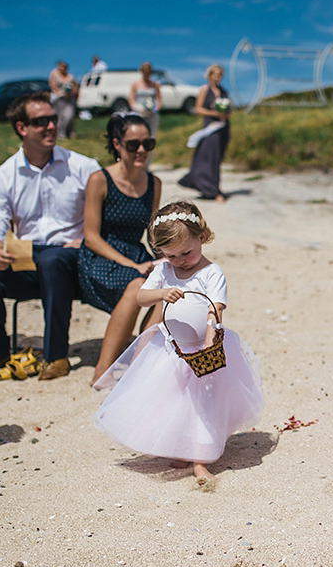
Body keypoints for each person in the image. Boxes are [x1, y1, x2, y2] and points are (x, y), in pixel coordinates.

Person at [93, 202, 263, 484]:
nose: (181, 260)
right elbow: (140, 298)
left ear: (202, 237)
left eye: (187, 252)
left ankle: (200, 460)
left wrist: (209, 346)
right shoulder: (163, 271)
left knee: (204, 406)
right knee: (175, 402)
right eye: (171, 255)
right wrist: (162, 291)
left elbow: (215, 311)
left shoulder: (211, 272)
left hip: (201, 348)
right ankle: (179, 449)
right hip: (171, 350)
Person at [0, 92, 99, 381]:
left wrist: (85, 239)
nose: (51, 126)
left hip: (74, 258)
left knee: (53, 259)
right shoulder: (4, 175)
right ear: (21, 128)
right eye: (41, 122)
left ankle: (56, 356)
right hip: (28, 257)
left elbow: (105, 219)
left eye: (53, 119)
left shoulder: (84, 167)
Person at [78, 113, 162, 385]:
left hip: (136, 254)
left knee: (169, 288)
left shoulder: (154, 183)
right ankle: (103, 369)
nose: (141, 151)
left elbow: (152, 232)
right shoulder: (99, 179)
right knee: (139, 284)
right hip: (100, 257)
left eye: (147, 144)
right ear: (117, 144)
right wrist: (132, 265)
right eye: (133, 144)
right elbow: (91, 237)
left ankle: (139, 362)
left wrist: (167, 258)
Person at [179, 64, 231, 202]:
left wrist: (226, 114)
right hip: (210, 128)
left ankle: (210, 187)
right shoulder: (204, 90)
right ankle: (213, 190)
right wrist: (215, 113)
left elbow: (230, 109)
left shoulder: (224, 92)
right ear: (210, 75)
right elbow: (198, 109)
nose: (218, 77)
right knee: (207, 158)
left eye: (220, 74)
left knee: (217, 158)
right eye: (215, 74)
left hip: (223, 128)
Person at [48, 61, 79, 140]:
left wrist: (72, 94)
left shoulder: (70, 76)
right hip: (59, 99)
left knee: (69, 116)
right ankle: (61, 133)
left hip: (69, 99)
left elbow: (76, 86)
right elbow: (53, 85)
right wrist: (61, 93)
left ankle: (70, 132)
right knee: (60, 117)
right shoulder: (54, 74)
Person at [129, 62, 162, 135]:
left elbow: (159, 100)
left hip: (152, 114)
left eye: (148, 73)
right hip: (139, 113)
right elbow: (131, 100)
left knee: (151, 134)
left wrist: (155, 109)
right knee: (138, 134)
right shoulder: (135, 84)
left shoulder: (155, 85)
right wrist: (138, 108)